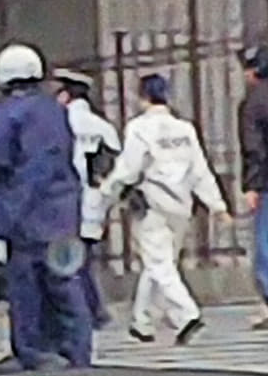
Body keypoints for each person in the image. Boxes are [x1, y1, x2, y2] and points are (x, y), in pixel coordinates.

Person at [0, 43, 93, 371]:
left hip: (27, 212)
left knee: (26, 283)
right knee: (65, 281)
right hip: (64, 209)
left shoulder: (10, 113)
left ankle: (32, 351)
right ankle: (77, 351)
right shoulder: (55, 110)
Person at [100, 73, 230, 345]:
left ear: (142, 96)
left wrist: (106, 195)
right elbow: (200, 170)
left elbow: (128, 170)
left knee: (159, 264)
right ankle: (142, 321)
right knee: (160, 263)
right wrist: (216, 204)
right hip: (182, 204)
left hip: (152, 204)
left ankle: (187, 314)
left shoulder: (139, 128)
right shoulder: (185, 129)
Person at [53, 68, 121, 329]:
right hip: (95, 201)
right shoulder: (102, 126)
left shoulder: (59, 122)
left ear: (66, 94)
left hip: (67, 198)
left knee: (68, 262)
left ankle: (89, 310)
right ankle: (93, 309)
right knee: (83, 257)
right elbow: (115, 164)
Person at [238, 45, 268, 330]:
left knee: (264, 245)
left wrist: (251, 185)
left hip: (267, 183)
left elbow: (253, 148)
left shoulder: (254, 103)